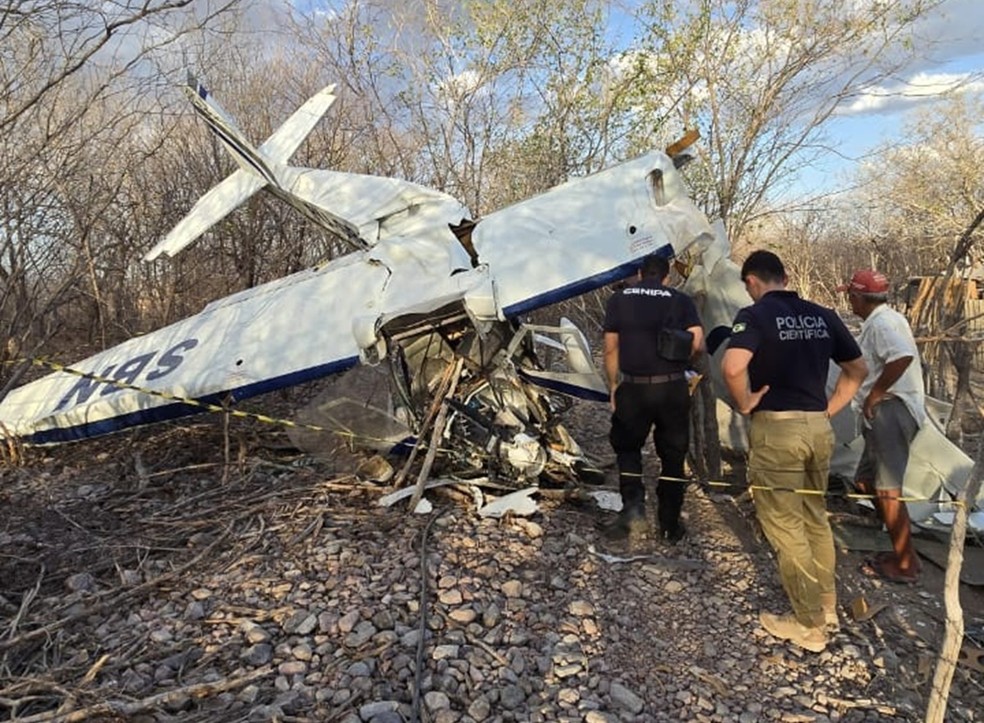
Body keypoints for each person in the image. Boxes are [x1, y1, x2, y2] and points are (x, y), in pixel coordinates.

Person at [721, 250, 867, 653]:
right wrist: (829, 409)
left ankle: (809, 625)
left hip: (778, 431)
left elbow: (732, 367)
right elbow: (858, 370)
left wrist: (746, 402)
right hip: (818, 428)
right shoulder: (823, 314)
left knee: (785, 526)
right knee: (814, 517)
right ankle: (827, 605)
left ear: (751, 281)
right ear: (785, 277)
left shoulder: (754, 316)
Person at [601, 254, 704, 543]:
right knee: (673, 456)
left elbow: (611, 349)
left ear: (639, 272)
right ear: (666, 277)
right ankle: (670, 525)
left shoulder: (620, 299)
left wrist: (612, 385)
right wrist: (684, 362)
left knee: (628, 448)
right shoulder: (680, 300)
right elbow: (698, 343)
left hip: (634, 388)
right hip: (672, 387)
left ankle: (633, 514)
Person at [839, 269, 925, 583]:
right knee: (865, 480)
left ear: (858, 297)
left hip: (892, 409)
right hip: (884, 412)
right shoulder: (880, 321)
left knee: (889, 490)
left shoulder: (884, 323)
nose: (849, 301)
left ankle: (905, 564)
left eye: (850, 295)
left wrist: (875, 394)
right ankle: (901, 548)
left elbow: (901, 357)